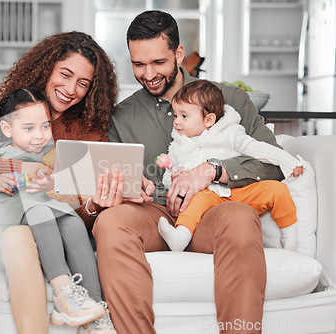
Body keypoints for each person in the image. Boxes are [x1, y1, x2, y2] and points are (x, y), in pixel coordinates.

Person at [82, 10, 287, 334]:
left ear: (179, 54)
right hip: (153, 213)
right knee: (110, 222)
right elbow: (112, 179)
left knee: (240, 217)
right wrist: (130, 187)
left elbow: (276, 163)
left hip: (213, 209)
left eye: (158, 62)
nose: (148, 74)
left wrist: (212, 170)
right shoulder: (121, 116)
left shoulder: (229, 99)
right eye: (138, 64)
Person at [0, 32, 118, 334]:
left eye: (83, 83)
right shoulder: (0, 115)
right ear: (46, 67)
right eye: (65, 74)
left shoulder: (84, 130)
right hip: (0, 216)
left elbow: (78, 207)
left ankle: (86, 312)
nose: (70, 89)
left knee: (29, 234)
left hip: (43, 221)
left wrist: (86, 201)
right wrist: (26, 167)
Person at [0, 86, 109, 327]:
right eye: (28, 128)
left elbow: (67, 187)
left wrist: (52, 181)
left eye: (46, 126)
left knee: (72, 222)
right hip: (10, 211)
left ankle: (97, 312)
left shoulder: (52, 152)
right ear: (7, 129)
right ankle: (62, 291)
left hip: (42, 207)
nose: (39, 135)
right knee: (42, 211)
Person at [155, 79, 303, 252]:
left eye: (184, 116)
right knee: (194, 201)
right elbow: (169, 177)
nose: (177, 122)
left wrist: (290, 163)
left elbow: (259, 149)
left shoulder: (229, 133)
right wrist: (174, 178)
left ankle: (290, 238)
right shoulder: (178, 144)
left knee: (277, 190)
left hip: (238, 190)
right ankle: (180, 236)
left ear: (209, 119)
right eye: (176, 115)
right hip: (208, 197)